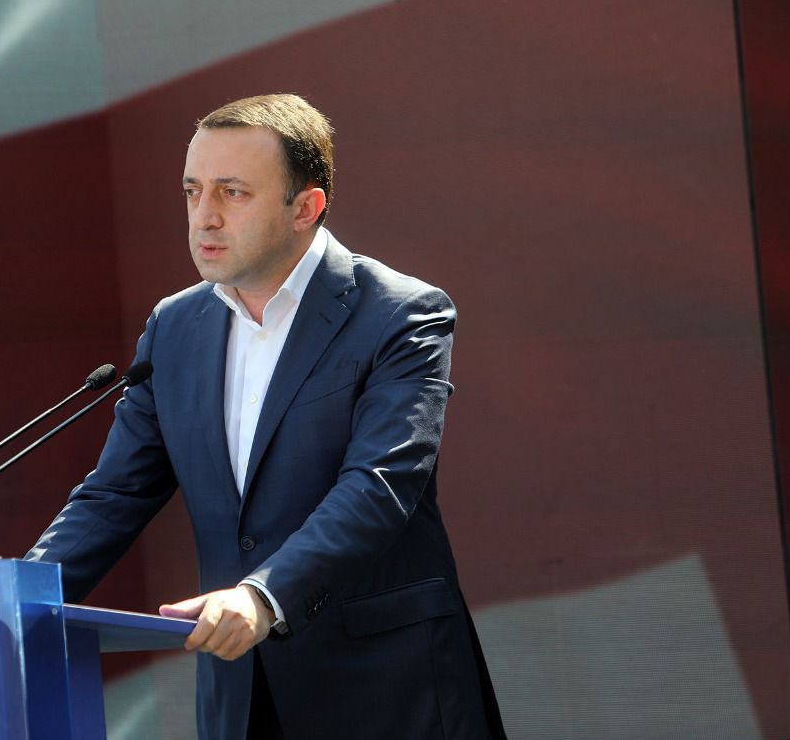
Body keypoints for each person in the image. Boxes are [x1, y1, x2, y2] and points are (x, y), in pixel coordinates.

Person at [28, 94, 504, 739]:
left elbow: (379, 487)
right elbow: (113, 496)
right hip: (241, 696)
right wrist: (6, 602)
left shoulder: (401, 315)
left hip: (386, 691)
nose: (205, 216)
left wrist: (262, 595)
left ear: (305, 208)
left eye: (233, 193)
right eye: (193, 191)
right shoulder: (174, 327)